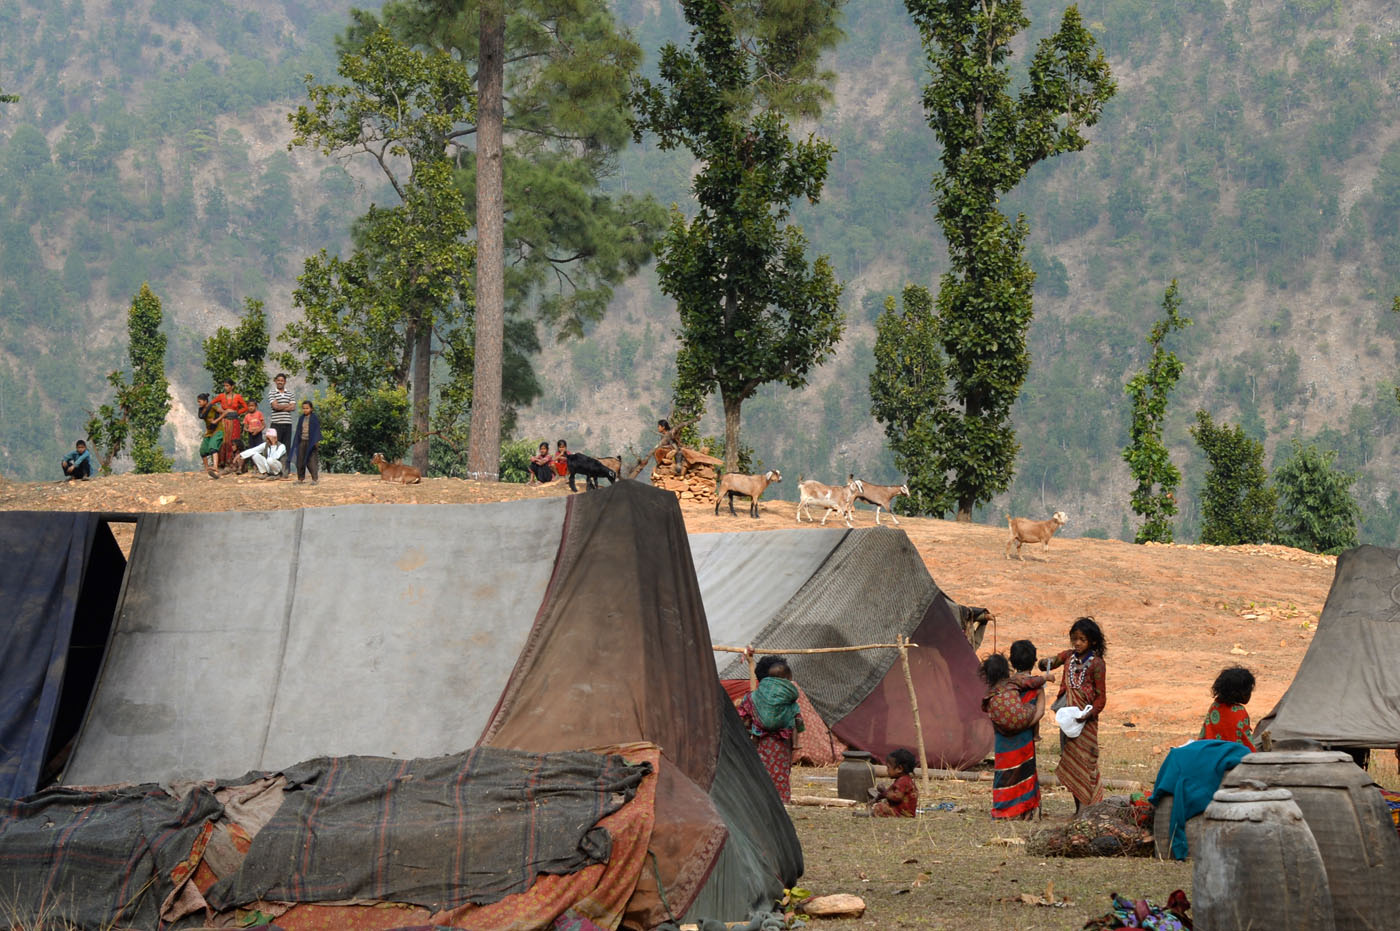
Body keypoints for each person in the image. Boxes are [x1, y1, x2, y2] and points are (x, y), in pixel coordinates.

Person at [1040, 616, 1108, 815]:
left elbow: (1101, 697)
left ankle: (1089, 808)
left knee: (1086, 763)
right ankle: (1079, 808)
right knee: (1071, 763)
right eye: (1074, 639)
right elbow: (1048, 663)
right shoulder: (1068, 657)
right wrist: (1044, 663)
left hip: (1085, 721)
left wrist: (1089, 714)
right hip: (1069, 720)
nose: (1077, 643)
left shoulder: (1097, 664)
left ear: (1092, 641)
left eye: (1082, 639)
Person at [982, 643, 1047, 820]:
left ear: (1012, 660)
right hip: (1025, 738)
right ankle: (1026, 810)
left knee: (1004, 774)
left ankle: (1003, 810)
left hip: (1003, 741)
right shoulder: (1034, 687)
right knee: (1026, 771)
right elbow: (1040, 712)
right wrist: (1026, 727)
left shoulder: (1003, 687)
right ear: (1034, 661)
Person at [736, 654, 804, 802]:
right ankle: (782, 802)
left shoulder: (751, 698)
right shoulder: (789, 699)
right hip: (783, 745)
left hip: (759, 743)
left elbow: (742, 720)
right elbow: (798, 720)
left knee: (760, 775)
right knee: (781, 774)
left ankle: (761, 803)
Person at [1198, 666, 1257, 751]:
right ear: (1241, 693)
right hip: (1231, 756)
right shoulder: (1239, 712)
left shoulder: (1215, 706)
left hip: (1210, 752)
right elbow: (1245, 741)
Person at [871, 748, 919, 817]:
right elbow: (890, 793)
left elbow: (897, 797)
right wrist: (878, 797)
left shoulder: (903, 781)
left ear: (899, 769)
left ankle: (871, 814)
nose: (887, 771)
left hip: (902, 814)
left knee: (880, 807)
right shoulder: (905, 780)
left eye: (888, 767)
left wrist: (884, 791)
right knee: (884, 803)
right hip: (902, 812)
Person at [211, 379, 248, 470]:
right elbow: (212, 404)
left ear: (232, 387)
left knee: (234, 441)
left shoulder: (237, 397)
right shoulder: (221, 396)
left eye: (227, 386)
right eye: (224, 386)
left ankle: (233, 463)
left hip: (234, 421)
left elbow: (245, 407)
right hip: (224, 421)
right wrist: (221, 411)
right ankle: (222, 463)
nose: (225, 388)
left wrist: (236, 413)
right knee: (223, 441)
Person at [289, 400, 321, 485]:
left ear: (311, 409)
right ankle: (300, 478)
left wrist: (316, 442)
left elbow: (316, 430)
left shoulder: (314, 418)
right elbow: (298, 431)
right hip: (302, 441)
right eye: (304, 408)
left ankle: (314, 479)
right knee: (300, 460)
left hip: (311, 442)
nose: (305, 410)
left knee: (311, 461)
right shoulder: (301, 418)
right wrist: (297, 442)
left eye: (307, 408)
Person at [197, 393, 224, 478]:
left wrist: (216, 420)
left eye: (200, 401)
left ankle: (215, 467)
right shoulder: (202, 410)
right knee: (203, 450)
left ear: (205, 401)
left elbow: (224, 412)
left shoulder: (213, 407)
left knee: (213, 447)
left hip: (218, 430)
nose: (199, 403)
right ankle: (207, 468)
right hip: (209, 432)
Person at [267, 373, 295, 441]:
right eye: (278, 380)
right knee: (274, 444)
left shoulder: (290, 393)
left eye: (282, 380)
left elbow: (293, 407)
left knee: (286, 446)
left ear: (285, 382)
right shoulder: (272, 393)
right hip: (276, 423)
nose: (280, 382)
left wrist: (279, 406)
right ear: (275, 381)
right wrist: (288, 405)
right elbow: (275, 407)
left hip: (287, 423)